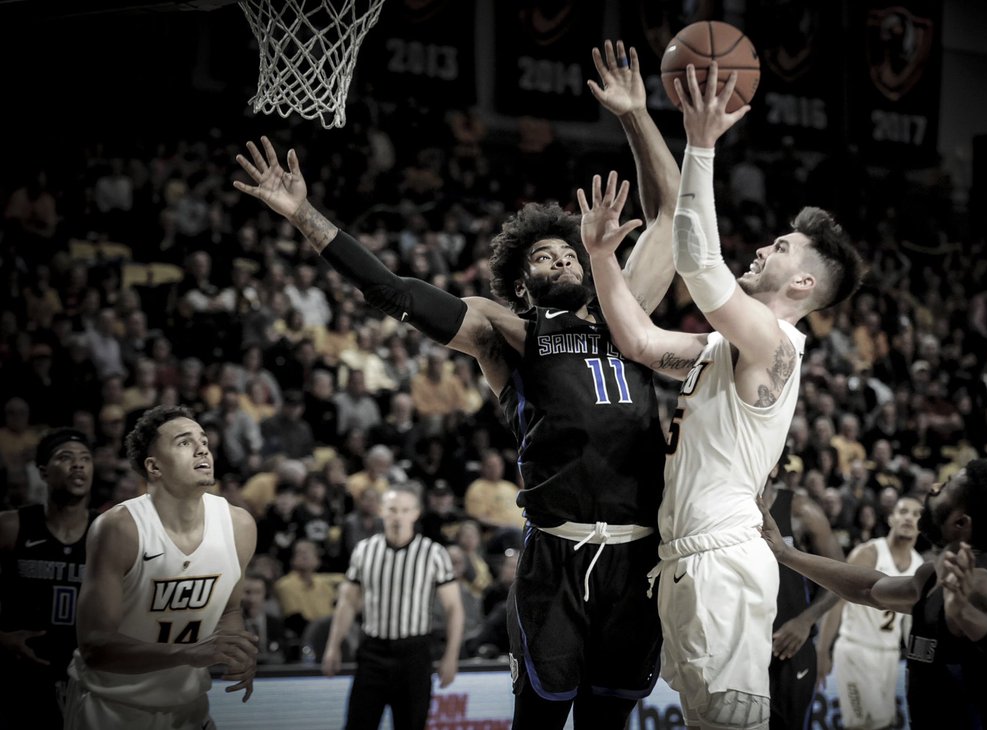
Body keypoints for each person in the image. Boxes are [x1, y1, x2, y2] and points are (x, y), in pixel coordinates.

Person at [235, 39, 679, 730]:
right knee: (539, 718)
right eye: (543, 254)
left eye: (568, 250)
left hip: (637, 555)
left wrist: (636, 116)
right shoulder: (509, 332)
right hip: (556, 554)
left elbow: (673, 220)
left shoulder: (629, 316)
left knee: (610, 722)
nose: (560, 257)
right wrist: (304, 216)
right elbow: (395, 292)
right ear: (523, 280)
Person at [578, 62, 867, 729]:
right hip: (688, 562)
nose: (766, 247)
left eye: (784, 248)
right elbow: (641, 343)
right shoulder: (726, 347)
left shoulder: (774, 342)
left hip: (722, 562)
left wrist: (700, 144)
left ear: (801, 287)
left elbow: (701, 264)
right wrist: (599, 256)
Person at [761, 459, 987, 729]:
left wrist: (966, 615)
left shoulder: (986, 585)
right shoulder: (930, 575)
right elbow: (869, 589)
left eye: (946, 487)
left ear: (960, 523)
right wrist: (786, 554)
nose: (934, 488)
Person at [64, 405, 258, 729]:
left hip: (190, 707)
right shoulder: (119, 528)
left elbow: (229, 611)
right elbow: (95, 646)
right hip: (111, 707)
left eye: (204, 441)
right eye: (184, 442)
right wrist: (184, 654)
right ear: (154, 467)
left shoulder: (239, 525)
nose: (202, 449)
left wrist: (236, 652)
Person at [322, 486, 463, 730]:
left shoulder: (433, 553)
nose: (398, 517)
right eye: (392, 510)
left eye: (405, 510)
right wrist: (333, 646)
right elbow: (347, 602)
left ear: (416, 513)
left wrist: (451, 656)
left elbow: (454, 608)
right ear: (381, 511)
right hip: (373, 651)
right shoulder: (364, 550)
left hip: (415, 653)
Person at [0, 429, 95, 730]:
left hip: (87, 679)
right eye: (65, 458)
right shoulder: (12, 526)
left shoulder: (108, 532)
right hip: (19, 677)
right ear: (42, 472)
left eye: (85, 459)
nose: (78, 465)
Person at [816, 494, 925, 730]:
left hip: (890, 655)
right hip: (857, 649)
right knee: (864, 725)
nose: (909, 518)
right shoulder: (868, 553)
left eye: (917, 514)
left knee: (884, 723)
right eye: (903, 511)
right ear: (891, 518)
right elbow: (837, 601)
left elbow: (913, 624)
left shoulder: (919, 566)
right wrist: (823, 650)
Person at [765, 458, 846, 730]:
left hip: (791, 648)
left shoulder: (800, 510)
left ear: (774, 467)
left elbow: (841, 578)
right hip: (743, 646)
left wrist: (806, 620)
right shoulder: (729, 510)